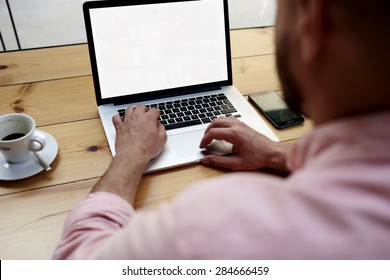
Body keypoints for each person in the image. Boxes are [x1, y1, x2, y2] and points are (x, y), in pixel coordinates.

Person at [53, 0, 390, 259]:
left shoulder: (224, 221)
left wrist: (131, 153)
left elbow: (79, 260)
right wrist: (278, 153)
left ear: (312, 22)